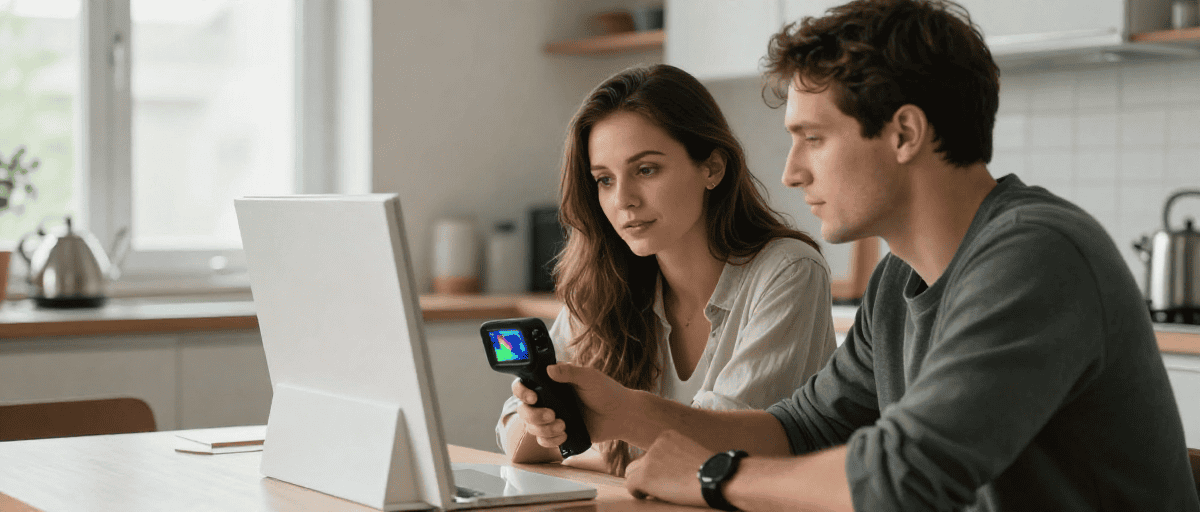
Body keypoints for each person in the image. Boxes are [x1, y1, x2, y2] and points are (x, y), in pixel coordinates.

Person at [516, 1, 1200, 510]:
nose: (789, 172)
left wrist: (710, 476)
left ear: (903, 132)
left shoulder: (1035, 255)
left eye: (812, 138)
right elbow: (803, 427)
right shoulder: (901, 277)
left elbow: (905, 475)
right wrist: (630, 411)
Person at [497, 64, 838, 477]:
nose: (623, 200)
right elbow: (517, 447)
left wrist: (600, 440)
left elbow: (721, 453)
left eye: (646, 170)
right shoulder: (604, 281)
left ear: (712, 168)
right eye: (604, 180)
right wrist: (541, 417)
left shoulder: (788, 271)